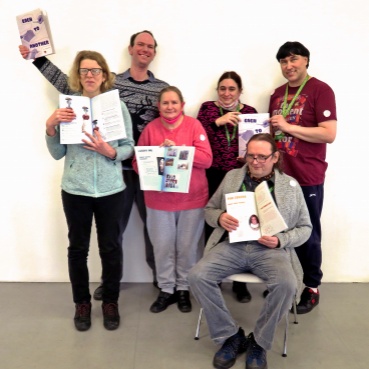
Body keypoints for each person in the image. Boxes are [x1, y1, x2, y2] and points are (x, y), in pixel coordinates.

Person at [20, 30, 169, 298]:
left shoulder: (159, 89)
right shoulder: (95, 92)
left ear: (154, 52)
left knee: (141, 232)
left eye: (150, 46)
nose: (91, 75)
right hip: (94, 179)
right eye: (140, 45)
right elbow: (65, 86)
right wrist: (35, 57)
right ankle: (97, 294)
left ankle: (161, 283)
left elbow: (164, 121)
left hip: (138, 170)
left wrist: (163, 148)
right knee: (97, 242)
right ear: (130, 48)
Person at [188, 133, 312, 369]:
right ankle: (230, 335)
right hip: (232, 244)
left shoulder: (290, 186)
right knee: (197, 275)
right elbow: (210, 209)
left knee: (286, 284)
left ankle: (259, 342)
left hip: (271, 250)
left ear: (275, 157)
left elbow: (306, 228)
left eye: (262, 157)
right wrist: (220, 217)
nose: (255, 162)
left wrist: (281, 240)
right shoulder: (232, 177)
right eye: (251, 156)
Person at [45, 50, 134, 331]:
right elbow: (58, 153)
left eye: (95, 70)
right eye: (84, 71)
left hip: (111, 190)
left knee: (111, 248)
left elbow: (129, 146)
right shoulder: (68, 108)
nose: (90, 75)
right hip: (76, 190)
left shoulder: (116, 107)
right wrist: (50, 127)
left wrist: (111, 152)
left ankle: (110, 302)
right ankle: (81, 304)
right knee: (78, 249)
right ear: (77, 75)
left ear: (104, 75)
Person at [269, 41, 337, 314]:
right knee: (278, 231)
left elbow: (328, 133)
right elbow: (271, 134)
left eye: (293, 59)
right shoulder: (276, 95)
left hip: (308, 176)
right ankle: (286, 282)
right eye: (284, 62)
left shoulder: (321, 90)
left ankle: (311, 287)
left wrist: (289, 126)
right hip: (279, 176)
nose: (288, 66)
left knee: (308, 234)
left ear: (306, 60)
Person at [133, 86, 213, 313]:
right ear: (158, 106)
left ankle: (183, 289)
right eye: (165, 103)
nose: (170, 107)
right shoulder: (150, 129)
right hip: (159, 201)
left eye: (174, 103)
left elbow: (207, 159)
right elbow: (138, 164)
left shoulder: (194, 126)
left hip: (192, 199)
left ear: (182, 105)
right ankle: (166, 289)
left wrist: (179, 152)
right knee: (162, 247)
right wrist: (156, 159)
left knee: (187, 247)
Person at [197, 71, 257, 303]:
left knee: (242, 227)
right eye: (222, 88)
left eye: (232, 89)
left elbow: (259, 143)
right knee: (213, 224)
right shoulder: (207, 110)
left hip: (242, 176)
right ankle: (213, 277)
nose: (226, 93)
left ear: (240, 91)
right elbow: (197, 136)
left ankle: (240, 283)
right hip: (212, 175)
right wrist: (216, 122)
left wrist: (249, 158)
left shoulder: (250, 113)